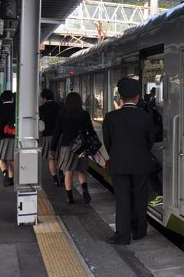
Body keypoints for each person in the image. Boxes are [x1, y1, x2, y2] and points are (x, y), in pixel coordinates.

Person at [102, 77, 155, 245]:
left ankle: (123, 236)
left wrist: (117, 155)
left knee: (122, 200)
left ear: (121, 98)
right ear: (137, 97)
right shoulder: (146, 117)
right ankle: (139, 231)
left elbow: (107, 142)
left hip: (119, 164)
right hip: (141, 164)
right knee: (140, 197)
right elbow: (150, 141)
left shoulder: (111, 117)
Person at [50, 92, 94, 204]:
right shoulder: (84, 114)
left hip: (66, 146)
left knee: (68, 172)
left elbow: (56, 132)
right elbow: (91, 131)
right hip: (81, 146)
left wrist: (52, 149)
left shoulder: (62, 113)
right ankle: (84, 190)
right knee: (80, 170)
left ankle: (69, 197)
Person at [38, 89, 62, 186]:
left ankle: (55, 179)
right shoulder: (59, 106)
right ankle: (61, 174)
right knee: (60, 157)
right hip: (60, 135)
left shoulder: (41, 108)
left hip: (47, 136)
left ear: (44, 98)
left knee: (51, 158)